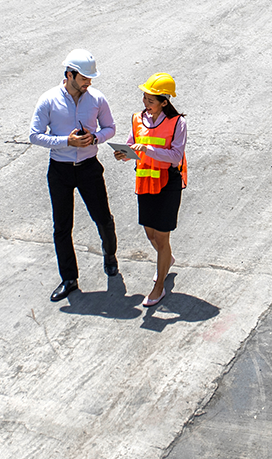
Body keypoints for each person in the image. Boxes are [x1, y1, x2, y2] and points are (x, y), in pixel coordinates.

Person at [29, 48, 120, 302]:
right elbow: (35, 135)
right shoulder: (48, 100)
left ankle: (110, 254)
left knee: (102, 217)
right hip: (60, 170)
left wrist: (97, 137)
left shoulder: (97, 99)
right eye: (84, 79)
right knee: (62, 226)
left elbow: (110, 127)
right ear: (69, 74)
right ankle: (69, 278)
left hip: (89, 167)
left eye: (90, 79)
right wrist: (66, 142)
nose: (89, 83)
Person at [127, 73, 188, 308]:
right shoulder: (137, 119)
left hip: (167, 184)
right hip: (145, 182)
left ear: (165, 102)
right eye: (144, 98)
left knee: (162, 237)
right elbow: (133, 143)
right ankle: (168, 260)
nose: (146, 103)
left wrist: (148, 149)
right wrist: (125, 153)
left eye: (151, 100)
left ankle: (159, 286)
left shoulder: (177, 123)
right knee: (150, 233)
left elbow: (175, 156)